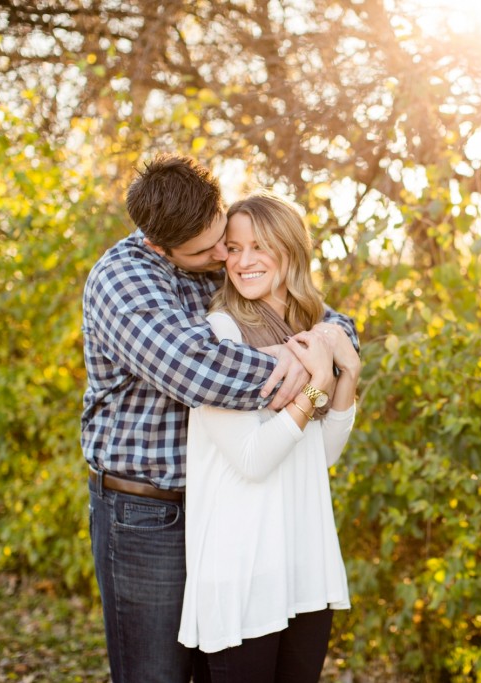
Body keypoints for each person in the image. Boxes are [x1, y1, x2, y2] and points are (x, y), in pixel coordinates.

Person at [81, 155, 358, 683]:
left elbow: (325, 319)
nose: (221, 256)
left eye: (223, 239)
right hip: (147, 512)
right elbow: (202, 372)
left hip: (227, 508)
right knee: (155, 674)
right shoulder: (124, 282)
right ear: (158, 245)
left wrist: (327, 344)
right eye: (208, 249)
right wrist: (311, 366)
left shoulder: (224, 262)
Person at [177, 190, 359, 682]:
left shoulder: (311, 327)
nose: (243, 261)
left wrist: (348, 377)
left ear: (291, 249)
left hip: (302, 560)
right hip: (243, 569)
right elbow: (253, 459)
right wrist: (317, 384)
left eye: (259, 246)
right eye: (233, 249)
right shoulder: (220, 333)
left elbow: (320, 457)